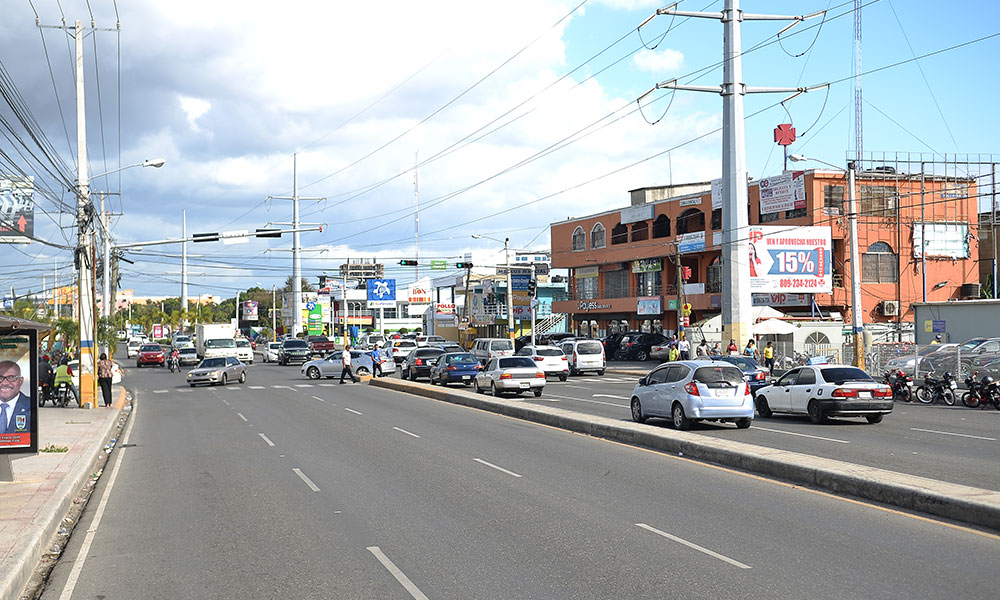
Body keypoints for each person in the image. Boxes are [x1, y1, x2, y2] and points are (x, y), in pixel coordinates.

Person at [0, 360, 31, 437]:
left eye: (11, 377)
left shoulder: (30, 405)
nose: (5, 383)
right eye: (0, 377)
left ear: (21, 381)